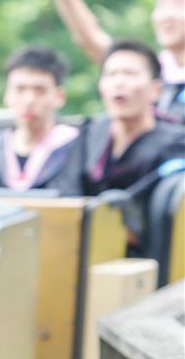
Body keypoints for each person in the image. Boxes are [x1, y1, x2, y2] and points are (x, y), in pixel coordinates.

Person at [50, 40, 185, 253]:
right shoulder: (90, 133)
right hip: (77, 249)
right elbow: (65, 190)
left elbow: (151, 212)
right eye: (111, 74)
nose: (118, 82)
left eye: (130, 74)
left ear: (155, 89)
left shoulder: (176, 144)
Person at [52, 0, 185, 123]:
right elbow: (92, 42)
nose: (167, 16)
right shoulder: (156, 68)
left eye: (179, 6)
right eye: (162, 6)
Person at [0, 45, 80, 195]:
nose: (29, 100)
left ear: (59, 97)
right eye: (20, 90)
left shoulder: (78, 149)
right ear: (7, 95)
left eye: (39, 91)